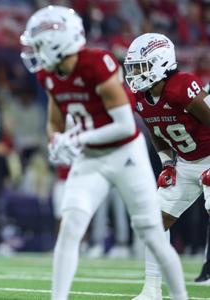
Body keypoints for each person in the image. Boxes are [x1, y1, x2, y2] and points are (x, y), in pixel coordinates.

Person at [20, 6, 187, 300]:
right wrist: (57, 141)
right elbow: (55, 122)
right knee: (70, 228)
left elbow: (124, 126)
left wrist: (78, 138)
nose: (35, 49)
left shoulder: (97, 63)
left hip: (125, 154)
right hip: (91, 157)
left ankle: (179, 296)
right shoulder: (49, 74)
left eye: (41, 41)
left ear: (60, 42)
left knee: (152, 233)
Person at [124, 33, 210, 299]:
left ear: (160, 62)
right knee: (153, 222)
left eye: (141, 66)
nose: (136, 73)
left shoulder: (182, 86)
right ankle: (151, 289)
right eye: (133, 67)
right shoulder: (141, 98)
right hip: (185, 162)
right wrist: (166, 163)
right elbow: (155, 131)